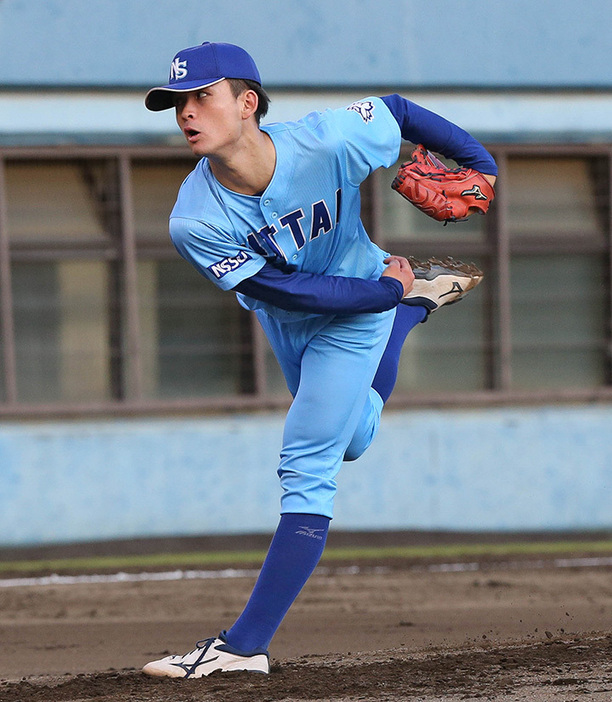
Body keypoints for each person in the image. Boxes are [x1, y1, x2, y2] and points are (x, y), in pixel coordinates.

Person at [142, 41, 497, 678]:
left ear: (246, 103)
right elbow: (282, 290)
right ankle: (412, 308)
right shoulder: (194, 220)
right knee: (352, 438)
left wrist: (481, 163)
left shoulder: (325, 141)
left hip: (357, 307)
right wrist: (393, 294)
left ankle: (242, 646)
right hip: (308, 314)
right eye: (177, 103)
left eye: (202, 97)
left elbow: (396, 110)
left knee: (308, 461)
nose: (187, 113)